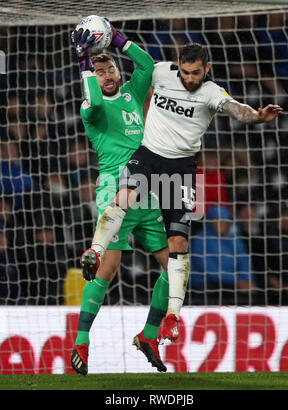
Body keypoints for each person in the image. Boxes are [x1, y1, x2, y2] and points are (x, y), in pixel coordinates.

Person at [89, 42, 283, 338]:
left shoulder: (211, 92)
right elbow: (141, 65)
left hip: (181, 170)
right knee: (122, 199)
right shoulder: (161, 72)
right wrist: (116, 39)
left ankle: (172, 316)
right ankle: (94, 250)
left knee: (178, 244)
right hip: (149, 155)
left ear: (206, 69)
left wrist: (256, 116)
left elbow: (237, 110)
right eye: (184, 71)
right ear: (177, 65)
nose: (189, 78)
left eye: (194, 73)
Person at [70, 23, 170, 375]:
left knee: (175, 268)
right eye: (100, 71)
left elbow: (146, 65)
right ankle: (82, 340)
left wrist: (117, 39)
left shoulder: (131, 92)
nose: (107, 74)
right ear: (92, 77)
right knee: (107, 270)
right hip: (114, 187)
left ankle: (149, 335)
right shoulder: (90, 108)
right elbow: (94, 98)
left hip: (150, 192)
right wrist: (85, 65)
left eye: (110, 68)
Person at [190, 205, 257, 305]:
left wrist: (247, 279)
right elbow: (210, 271)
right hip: (206, 285)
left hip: (232, 284)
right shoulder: (200, 240)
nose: (220, 224)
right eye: (216, 220)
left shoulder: (234, 238)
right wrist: (238, 281)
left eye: (223, 221)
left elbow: (244, 261)